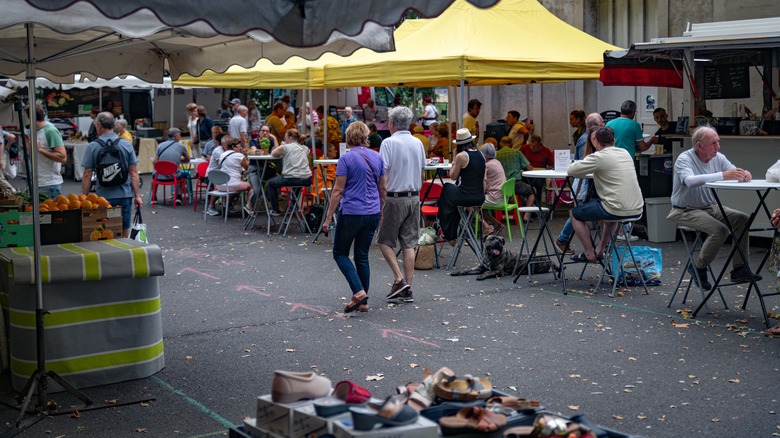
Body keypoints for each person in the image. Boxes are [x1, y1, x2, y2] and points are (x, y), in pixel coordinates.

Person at [667, 125, 760, 288]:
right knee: (721, 230)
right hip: (684, 210)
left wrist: (744, 174)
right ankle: (698, 267)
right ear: (699, 145)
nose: (718, 146)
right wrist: (723, 175)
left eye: (718, 142)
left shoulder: (718, 157)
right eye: (713, 143)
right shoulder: (684, 159)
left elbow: (733, 171)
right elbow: (690, 181)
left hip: (710, 207)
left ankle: (739, 269)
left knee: (743, 219)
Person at [322, 122, 386, 313]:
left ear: (348, 137)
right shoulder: (377, 157)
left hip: (351, 212)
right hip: (372, 212)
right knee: (362, 255)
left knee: (340, 253)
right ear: (366, 136)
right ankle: (364, 302)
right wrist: (381, 208)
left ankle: (358, 292)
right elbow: (382, 188)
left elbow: (338, 190)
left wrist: (328, 218)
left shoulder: (346, 159)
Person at [567, 126, 643, 263]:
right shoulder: (624, 152)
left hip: (614, 208)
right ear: (614, 140)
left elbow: (572, 170)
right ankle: (600, 249)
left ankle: (589, 253)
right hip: (636, 209)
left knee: (574, 214)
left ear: (596, 141)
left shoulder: (598, 157)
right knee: (611, 212)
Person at [378, 106, 426, 304]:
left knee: (384, 241)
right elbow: (423, 173)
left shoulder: (388, 143)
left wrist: (380, 199)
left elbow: (382, 174)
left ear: (391, 123)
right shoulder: (418, 143)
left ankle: (399, 279)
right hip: (414, 197)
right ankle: (408, 288)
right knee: (409, 243)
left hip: (395, 197)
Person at [82, 112, 142, 237]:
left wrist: (84, 197)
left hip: (103, 197)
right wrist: (137, 196)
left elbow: (87, 174)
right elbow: (133, 172)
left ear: (99, 125)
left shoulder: (93, 146)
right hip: (124, 194)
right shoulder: (126, 144)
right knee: (124, 229)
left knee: (104, 230)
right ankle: (124, 252)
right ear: (114, 125)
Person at [555, 112, 604, 254]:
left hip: (588, 181)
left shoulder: (587, 138)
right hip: (586, 182)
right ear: (595, 125)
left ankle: (595, 246)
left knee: (583, 213)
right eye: (602, 124)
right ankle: (564, 240)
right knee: (579, 213)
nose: (604, 126)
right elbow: (585, 163)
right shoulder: (586, 139)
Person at [437, 128, 486, 242]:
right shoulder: (481, 154)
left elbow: (453, 176)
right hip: (479, 196)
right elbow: (484, 179)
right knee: (452, 201)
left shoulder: (461, 156)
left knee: (447, 188)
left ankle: (447, 229)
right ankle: (449, 231)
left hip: (466, 196)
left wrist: (454, 157)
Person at [266, 129, 312, 217]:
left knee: (270, 183)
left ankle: (275, 209)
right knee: (297, 183)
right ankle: (292, 207)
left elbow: (273, 154)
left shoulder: (286, 147)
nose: (284, 139)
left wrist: (283, 145)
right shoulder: (305, 149)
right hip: (307, 178)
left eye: (285, 137)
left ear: (290, 138)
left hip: (292, 177)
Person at [26, 104, 67, 199]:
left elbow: (62, 157)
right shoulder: (33, 131)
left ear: (30, 117)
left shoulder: (50, 131)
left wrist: (41, 150)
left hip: (48, 185)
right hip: (36, 183)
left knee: (47, 213)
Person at [495, 135, 534, 218]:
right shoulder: (517, 153)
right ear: (512, 144)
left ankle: (498, 214)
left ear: (500, 144)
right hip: (514, 185)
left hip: (499, 185)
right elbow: (529, 168)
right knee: (532, 191)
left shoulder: (496, 154)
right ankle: (526, 215)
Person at [214, 137, 252, 214]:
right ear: (233, 146)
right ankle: (249, 206)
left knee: (235, 189)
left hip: (220, 184)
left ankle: (226, 205)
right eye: (239, 146)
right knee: (251, 187)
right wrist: (244, 155)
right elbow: (247, 167)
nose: (241, 148)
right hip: (232, 185)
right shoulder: (239, 155)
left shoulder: (222, 155)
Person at [153, 128, 190, 204]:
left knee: (153, 177)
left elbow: (155, 162)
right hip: (174, 176)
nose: (180, 137)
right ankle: (179, 196)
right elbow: (187, 159)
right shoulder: (181, 147)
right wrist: (179, 159)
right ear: (176, 136)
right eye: (180, 135)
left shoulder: (160, 146)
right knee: (185, 175)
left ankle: (154, 197)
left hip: (159, 176)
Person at [480, 143, 506, 236]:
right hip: (503, 197)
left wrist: (479, 193)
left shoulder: (486, 165)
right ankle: (496, 224)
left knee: (470, 204)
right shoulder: (497, 162)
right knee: (480, 207)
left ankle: (487, 227)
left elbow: (483, 181)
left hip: (495, 198)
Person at [0, 127, 17, 193]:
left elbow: (12, 136)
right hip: (2, 156)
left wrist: (6, 146)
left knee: (1, 179)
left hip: (1, 156)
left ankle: (14, 193)